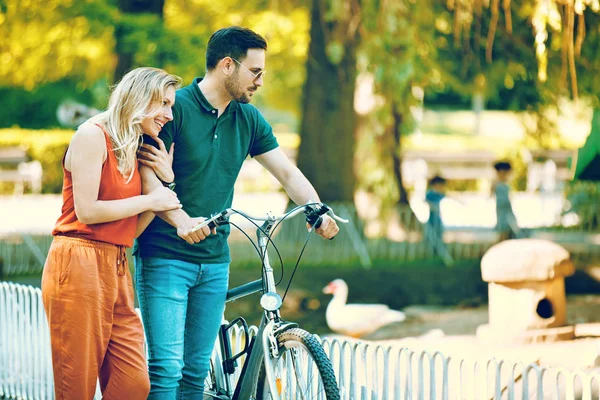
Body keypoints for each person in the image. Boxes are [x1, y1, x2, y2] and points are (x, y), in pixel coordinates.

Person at [135, 26, 340, 398]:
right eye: (255, 71)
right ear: (227, 65)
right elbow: (149, 182)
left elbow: (287, 172)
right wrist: (181, 222)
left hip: (214, 260)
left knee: (195, 371)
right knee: (166, 370)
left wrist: (316, 209)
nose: (260, 81)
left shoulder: (248, 118)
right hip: (164, 255)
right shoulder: (172, 108)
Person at [41, 67, 183, 400]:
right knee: (75, 386)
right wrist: (151, 198)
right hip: (77, 262)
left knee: (133, 384)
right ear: (138, 97)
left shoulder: (134, 147)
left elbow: (130, 230)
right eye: (163, 103)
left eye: (171, 105)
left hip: (116, 264)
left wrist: (165, 185)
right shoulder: (92, 136)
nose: (168, 114)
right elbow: (87, 211)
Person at [492, 160, 520, 241]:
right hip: (501, 207)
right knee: (502, 228)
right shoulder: (496, 183)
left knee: (510, 227)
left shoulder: (506, 183)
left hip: (507, 207)